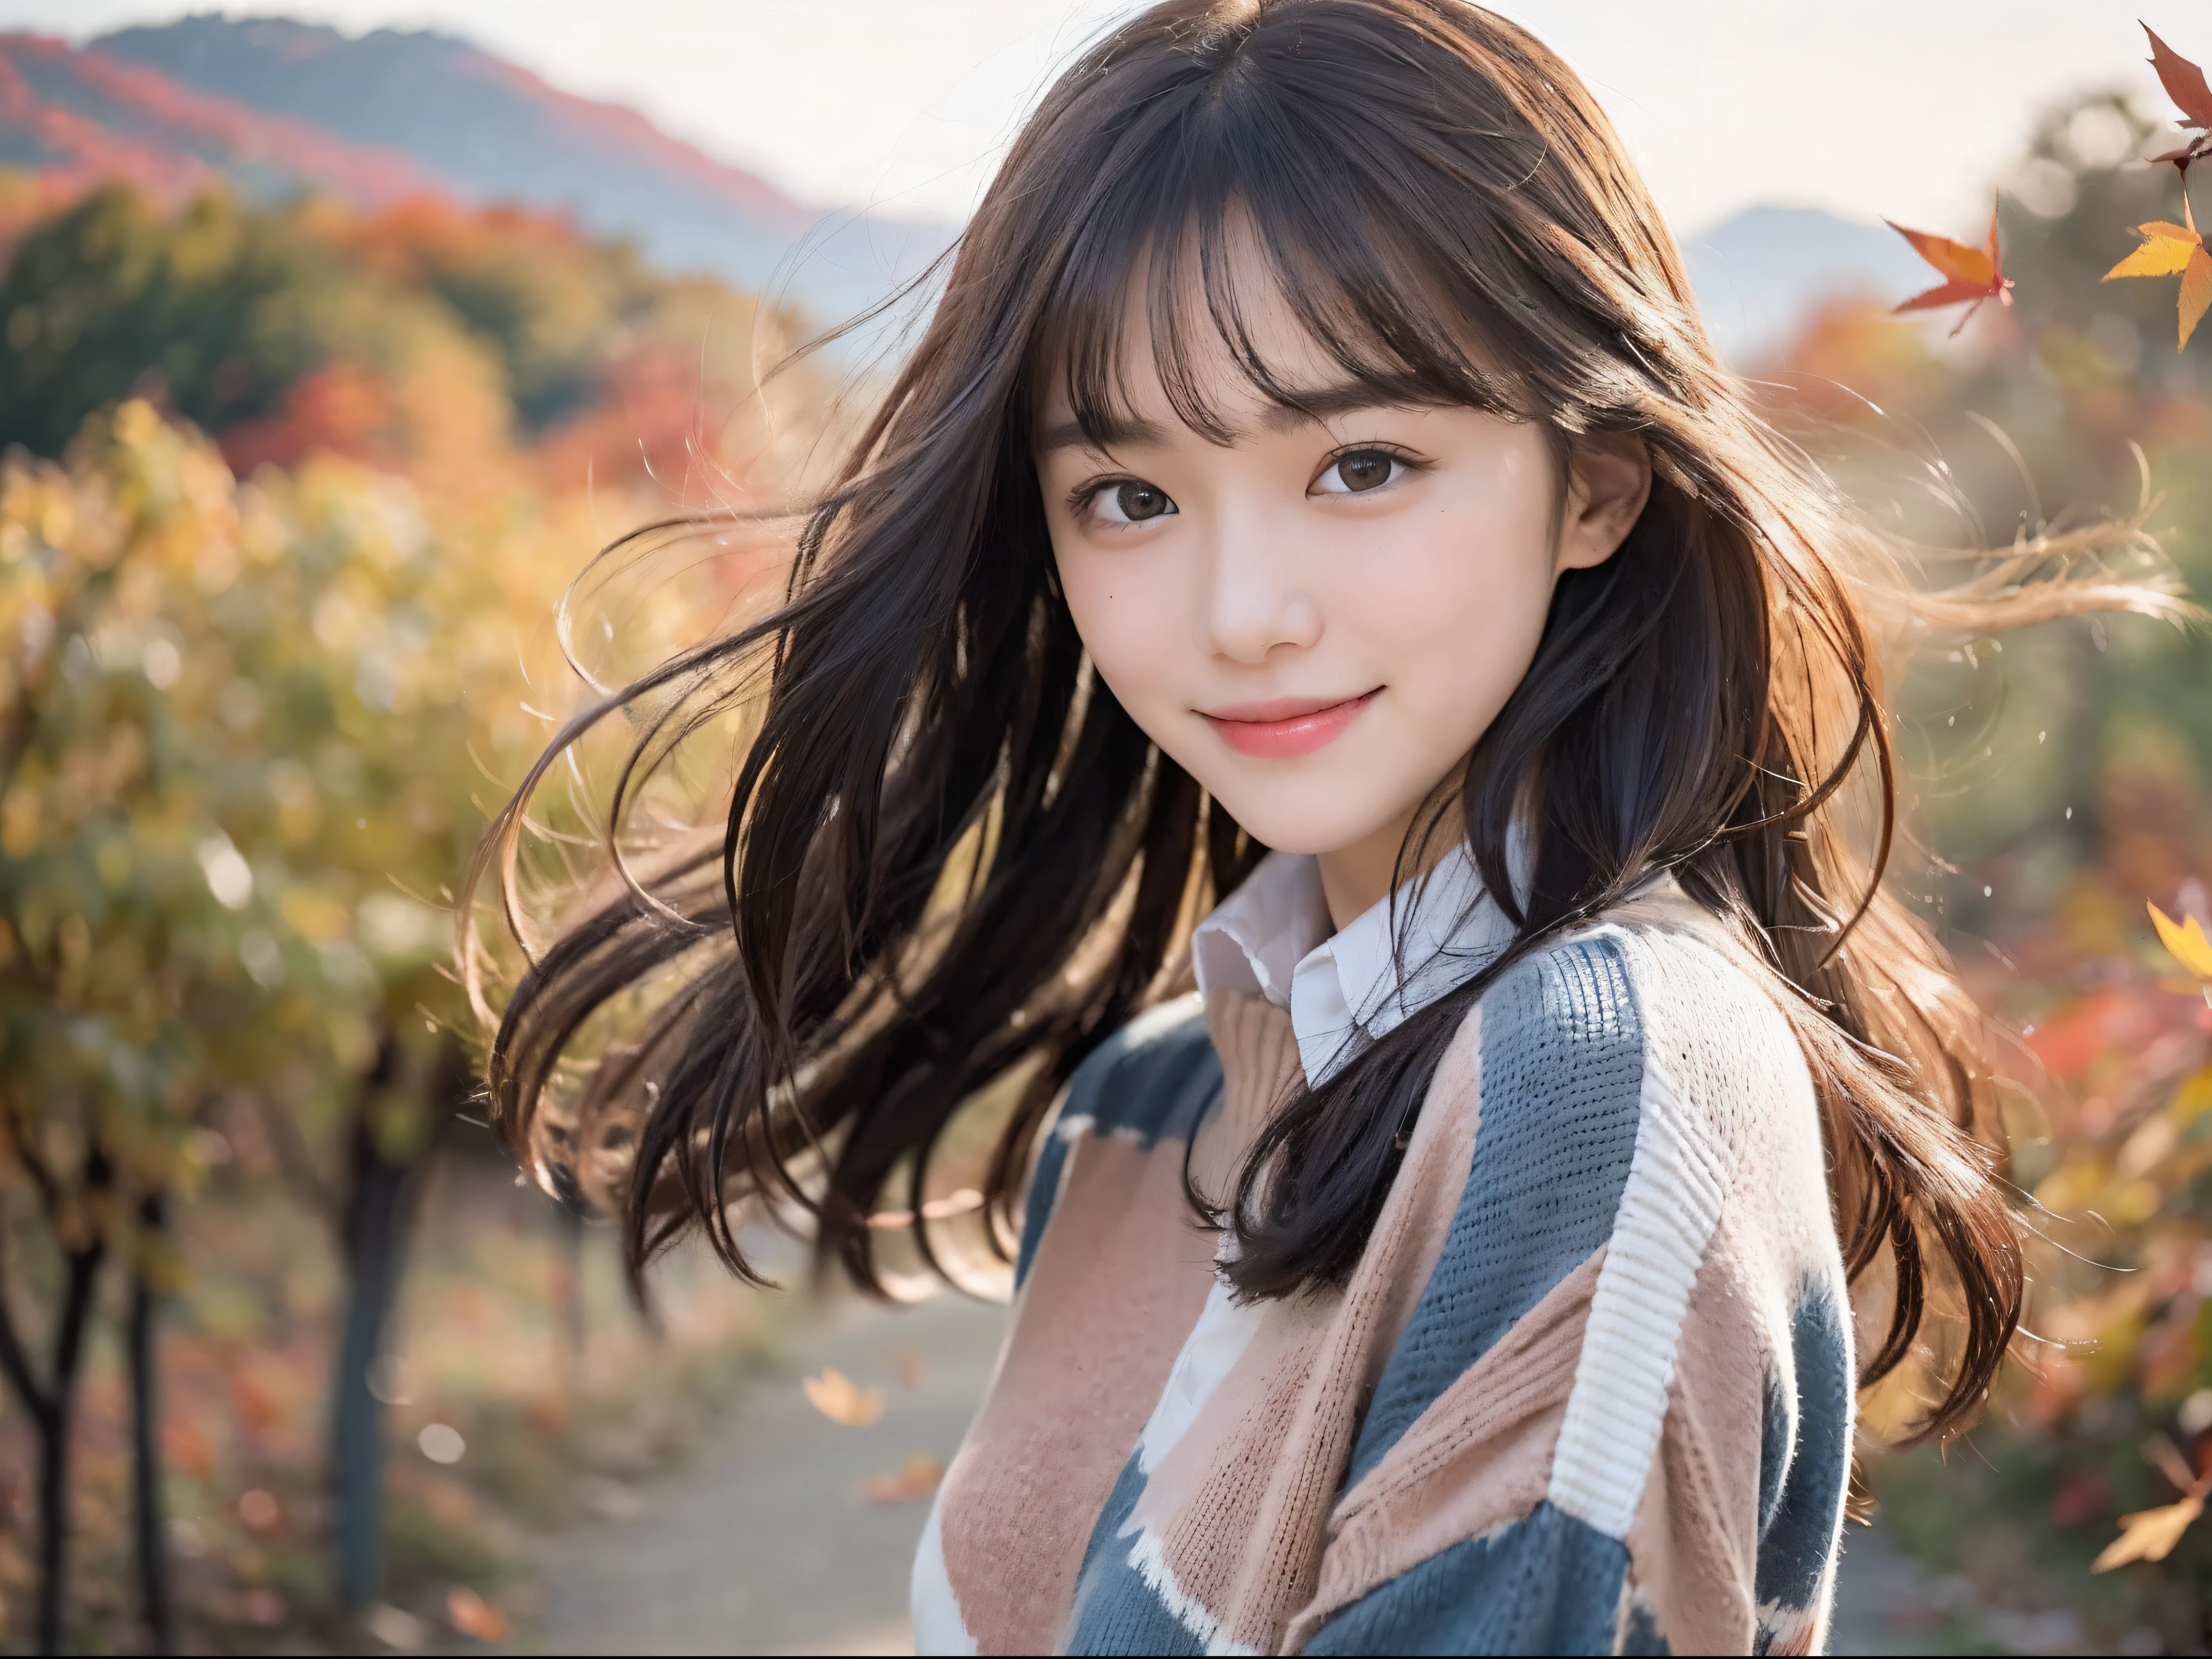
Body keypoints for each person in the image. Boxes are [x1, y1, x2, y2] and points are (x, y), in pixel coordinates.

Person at [468, 1, 2175, 1650]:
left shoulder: (1602, 1077)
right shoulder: (1149, 1107)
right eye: (1128, 495)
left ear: (1593, 481)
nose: (1242, 611)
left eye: (1360, 462)